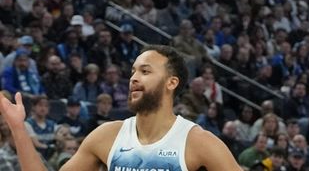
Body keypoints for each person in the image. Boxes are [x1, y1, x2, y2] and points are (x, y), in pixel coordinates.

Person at [0, 45, 240, 170]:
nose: (134, 78)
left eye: (145, 71)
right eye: (133, 71)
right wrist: (18, 128)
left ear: (171, 82)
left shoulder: (199, 142)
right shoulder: (107, 135)